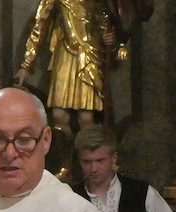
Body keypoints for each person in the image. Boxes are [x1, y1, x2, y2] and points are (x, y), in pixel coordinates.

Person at [14, 0, 114, 134]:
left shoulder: (97, 3)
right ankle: (62, 146)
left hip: (88, 57)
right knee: (59, 116)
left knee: (86, 117)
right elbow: (40, 26)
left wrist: (108, 38)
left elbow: (103, 24)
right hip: (64, 56)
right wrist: (27, 65)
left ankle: (86, 147)